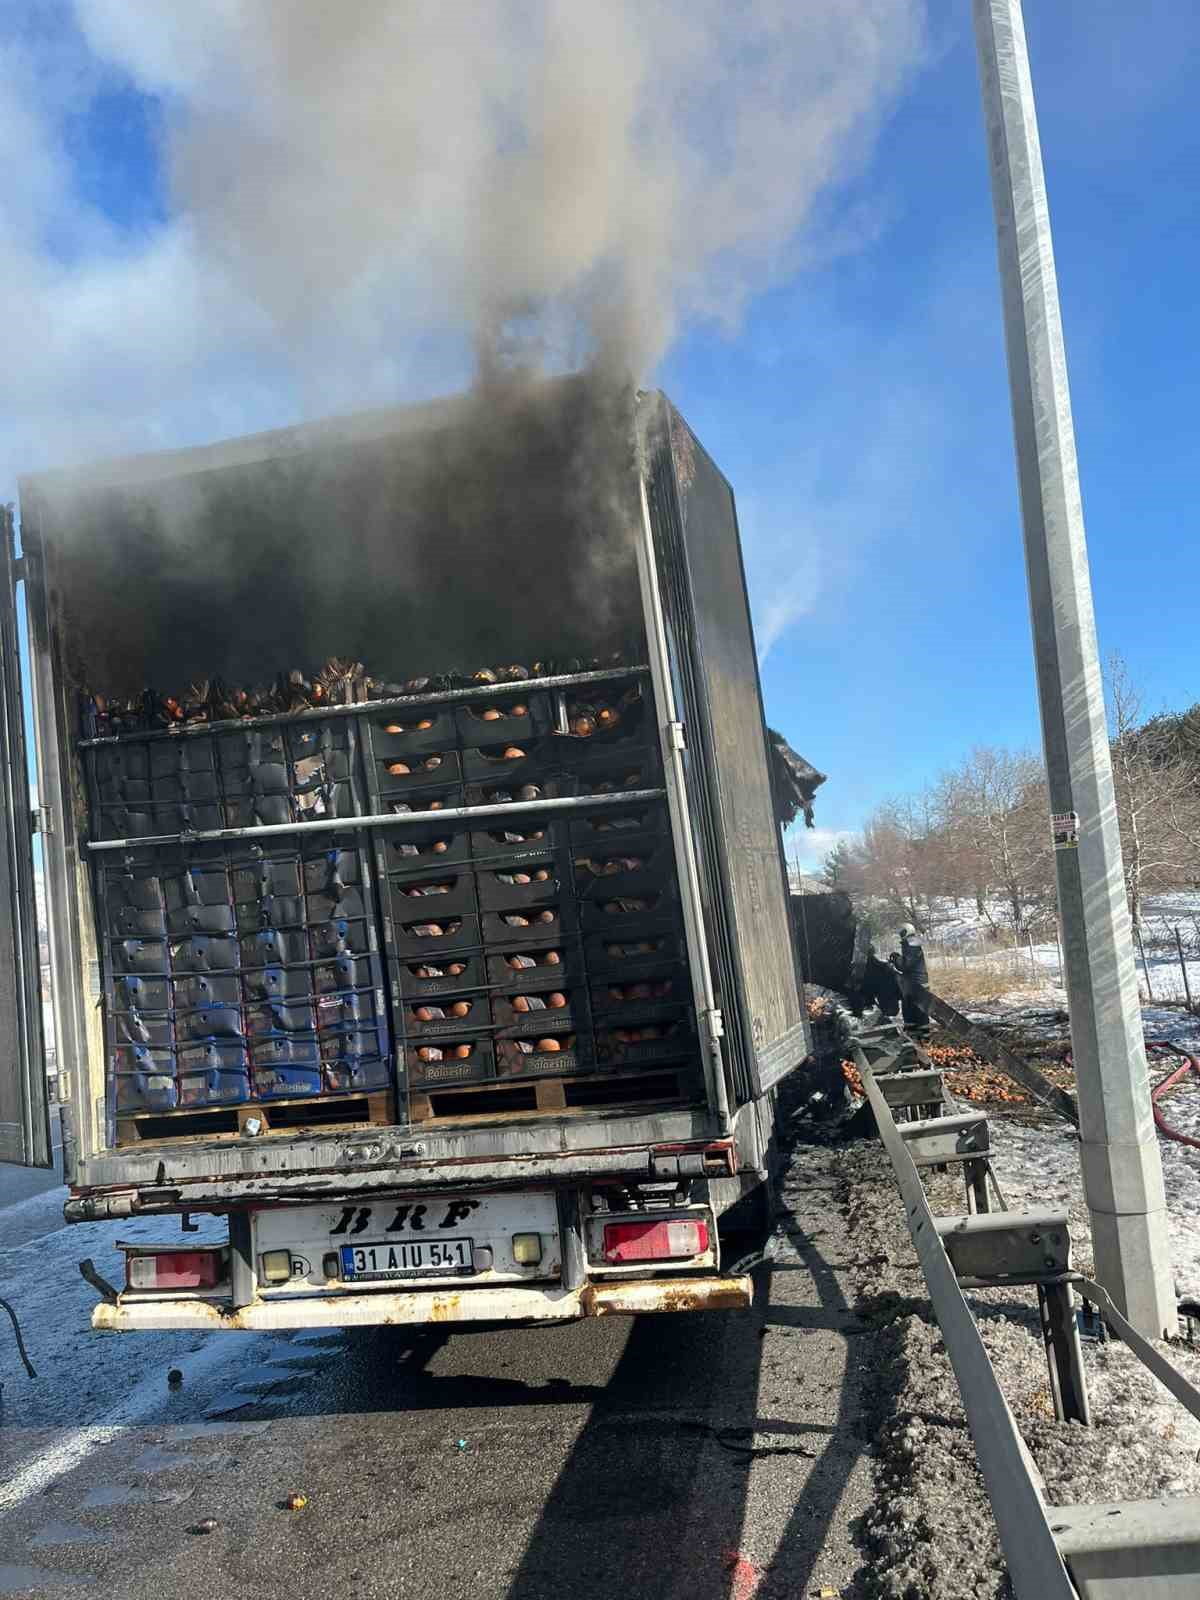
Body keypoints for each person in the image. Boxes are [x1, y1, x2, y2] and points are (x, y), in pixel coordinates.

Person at [889, 923, 930, 1036]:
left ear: (905, 931)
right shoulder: (913, 942)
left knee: (918, 1010)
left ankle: (923, 1035)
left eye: (901, 932)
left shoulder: (911, 943)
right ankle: (914, 1033)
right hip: (914, 982)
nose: (900, 935)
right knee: (909, 1007)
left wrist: (896, 959)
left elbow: (906, 964)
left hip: (916, 983)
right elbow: (908, 962)